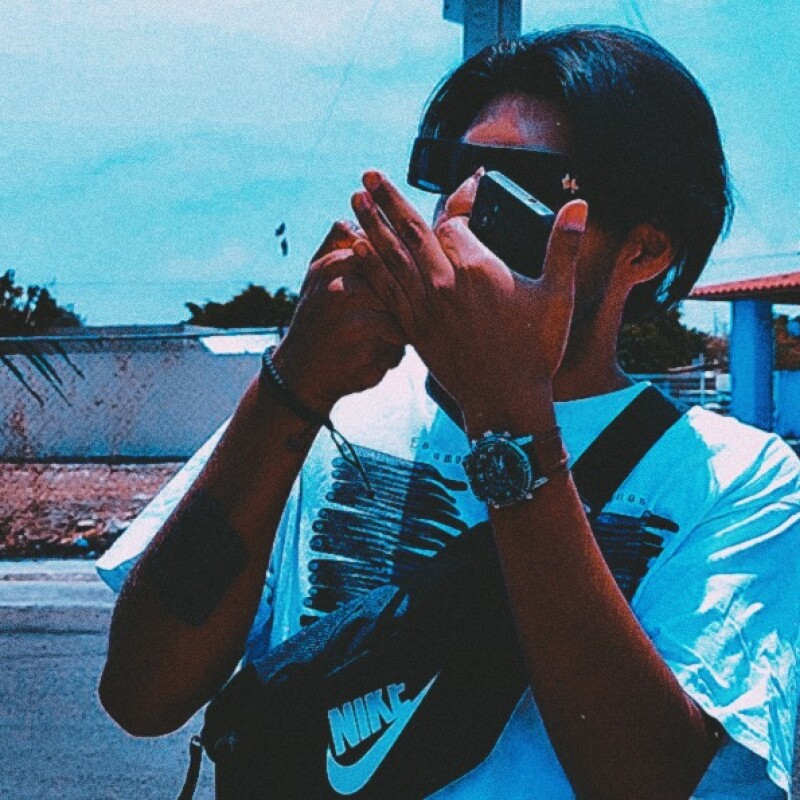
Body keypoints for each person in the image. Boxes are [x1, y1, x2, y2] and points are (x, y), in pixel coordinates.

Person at [99, 25, 800, 798]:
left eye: (521, 186)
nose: (461, 212)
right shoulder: (330, 405)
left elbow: (657, 781)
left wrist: (508, 411)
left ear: (644, 250)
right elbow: (142, 693)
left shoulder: (736, 477)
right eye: (454, 172)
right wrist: (289, 387)